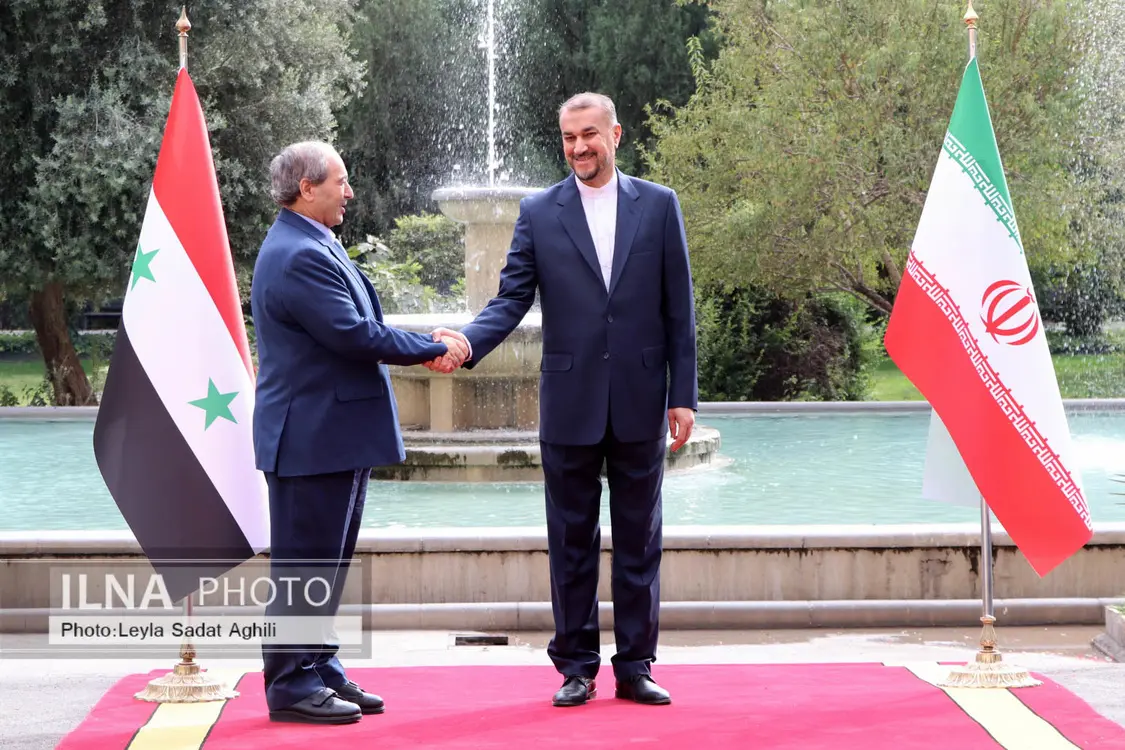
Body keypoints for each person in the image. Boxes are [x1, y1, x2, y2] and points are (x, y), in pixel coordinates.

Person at [431, 92, 698, 707]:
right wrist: (467, 343)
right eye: (569, 138)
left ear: (615, 135)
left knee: (640, 543)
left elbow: (678, 308)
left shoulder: (659, 205)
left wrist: (682, 395)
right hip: (569, 403)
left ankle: (636, 666)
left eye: (589, 135)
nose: (579, 147)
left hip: (640, 399)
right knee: (570, 543)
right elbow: (511, 298)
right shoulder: (539, 211)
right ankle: (576, 667)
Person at [250, 140, 468, 724]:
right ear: (306, 189)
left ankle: (319, 665)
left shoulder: (313, 241)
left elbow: (357, 327)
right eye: (340, 182)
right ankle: (291, 684)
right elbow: (353, 334)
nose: (349, 192)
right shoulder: (299, 254)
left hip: (331, 434)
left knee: (326, 563)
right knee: (304, 567)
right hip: (311, 437)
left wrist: (423, 342)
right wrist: (429, 347)